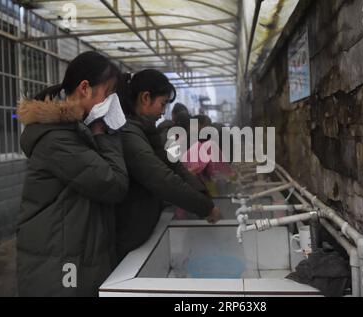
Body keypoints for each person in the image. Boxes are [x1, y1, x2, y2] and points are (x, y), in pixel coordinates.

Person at [16, 51, 129, 297]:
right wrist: (103, 132)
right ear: (85, 88)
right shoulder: (59, 139)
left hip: (71, 259)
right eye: (108, 93)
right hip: (59, 273)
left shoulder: (74, 131)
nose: (111, 102)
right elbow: (114, 184)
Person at [116, 69, 222, 262]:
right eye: (162, 103)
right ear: (146, 98)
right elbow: (163, 180)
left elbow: (175, 167)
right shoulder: (128, 135)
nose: (163, 112)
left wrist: (204, 197)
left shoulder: (146, 132)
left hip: (143, 228)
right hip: (128, 235)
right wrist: (205, 208)